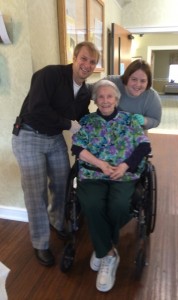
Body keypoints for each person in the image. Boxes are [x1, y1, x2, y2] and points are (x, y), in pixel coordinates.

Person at [12, 41, 100, 267]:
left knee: (62, 183)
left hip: (53, 138)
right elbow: (37, 108)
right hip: (29, 135)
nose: (87, 65)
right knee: (35, 191)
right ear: (74, 57)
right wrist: (67, 124)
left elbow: (83, 119)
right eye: (83, 58)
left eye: (92, 62)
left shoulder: (85, 92)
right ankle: (40, 243)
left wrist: (103, 130)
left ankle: (57, 221)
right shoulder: (50, 75)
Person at [71, 79, 151, 292]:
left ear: (116, 99)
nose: (105, 100)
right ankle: (108, 254)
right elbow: (78, 148)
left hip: (122, 174)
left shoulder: (129, 120)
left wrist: (125, 166)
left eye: (109, 96)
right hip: (94, 173)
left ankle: (101, 246)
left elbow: (144, 146)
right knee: (90, 204)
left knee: (118, 206)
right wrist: (100, 164)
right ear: (95, 100)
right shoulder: (87, 121)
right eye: (101, 97)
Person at [105, 59, 162, 130]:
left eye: (143, 81)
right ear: (127, 77)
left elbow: (156, 120)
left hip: (135, 131)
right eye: (134, 79)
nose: (138, 84)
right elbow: (91, 90)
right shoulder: (112, 82)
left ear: (148, 82)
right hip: (108, 127)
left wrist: (145, 120)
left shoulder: (152, 97)